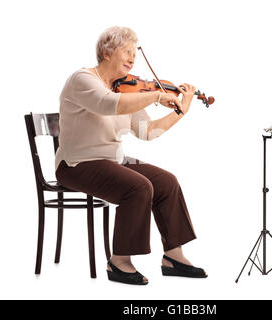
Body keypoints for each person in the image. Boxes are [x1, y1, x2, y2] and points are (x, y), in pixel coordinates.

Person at [55, 26, 207, 285]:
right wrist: (156, 95)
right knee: (138, 187)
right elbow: (107, 104)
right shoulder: (82, 79)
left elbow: (148, 131)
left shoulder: (126, 90)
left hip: (112, 160)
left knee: (166, 182)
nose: (132, 59)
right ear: (106, 52)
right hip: (77, 163)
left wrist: (181, 111)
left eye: (134, 54)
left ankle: (173, 256)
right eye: (126, 52)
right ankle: (119, 261)